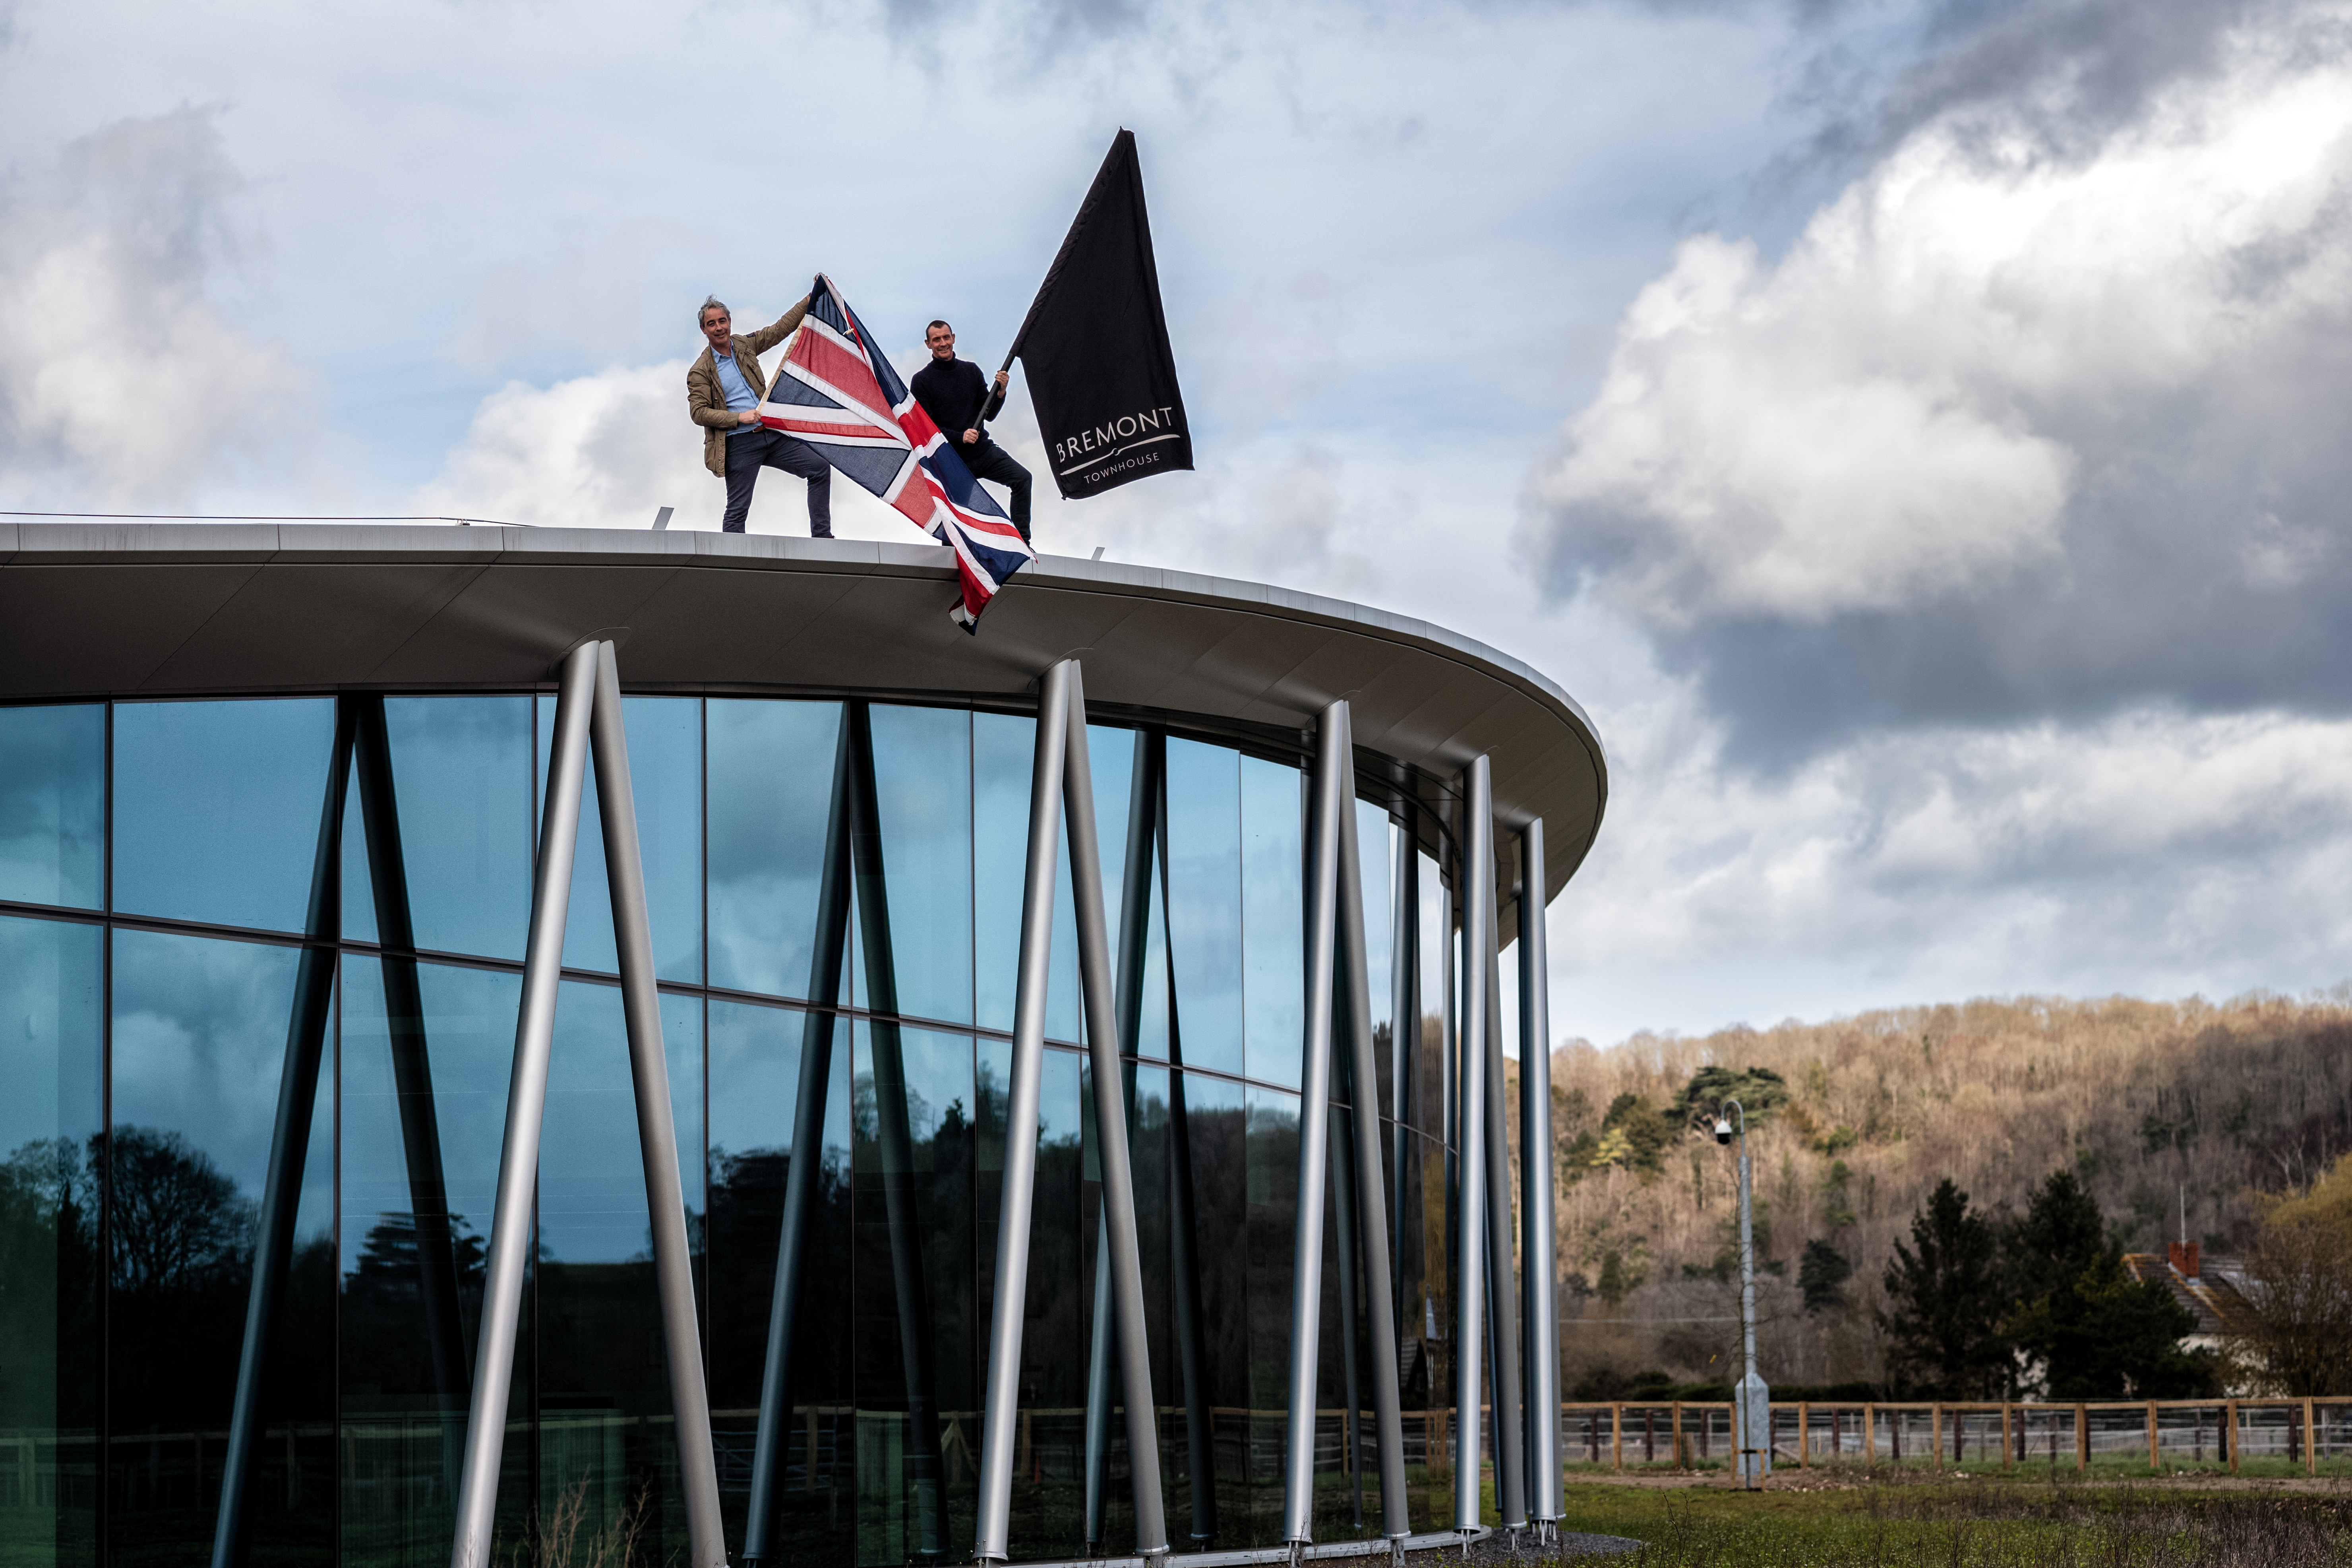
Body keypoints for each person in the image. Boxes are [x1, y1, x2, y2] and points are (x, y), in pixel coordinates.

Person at [686, 294, 832, 536]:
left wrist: (810, 299)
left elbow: (779, 330)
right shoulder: (700, 370)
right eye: (711, 324)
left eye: (722, 321)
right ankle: (730, 559)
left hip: (771, 434)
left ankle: (823, 537)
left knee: (819, 467)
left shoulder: (744, 345)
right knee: (737, 510)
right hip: (739, 443)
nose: (719, 328)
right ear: (704, 329)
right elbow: (699, 412)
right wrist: (738, 418)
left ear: (730, 322)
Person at [910, 320, 1032, 542]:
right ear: (928, 344)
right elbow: (926, 429)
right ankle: (954, 554)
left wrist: (1001, 392)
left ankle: (1024, 543)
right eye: (937, 340)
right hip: (953, 462)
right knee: (955, 514)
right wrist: (960, 437)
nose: (943, 343)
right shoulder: (921, 381)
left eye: (946, 337)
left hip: (984, 452)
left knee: (1023, 479)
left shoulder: (971, 371)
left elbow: (989, 413)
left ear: (954, 338)